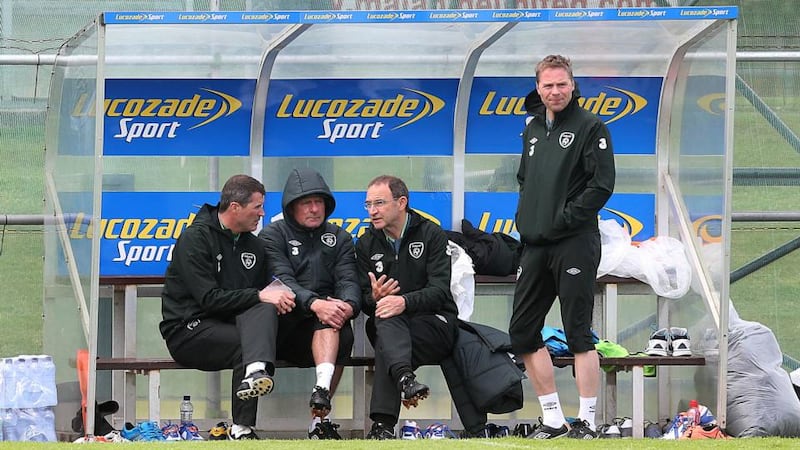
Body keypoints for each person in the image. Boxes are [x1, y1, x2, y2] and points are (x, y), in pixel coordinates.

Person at [511, 54, 615, 439]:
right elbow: (525, 179)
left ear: (573, 86)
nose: (555, 91)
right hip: (535, 245)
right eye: (548, 85)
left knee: (577, 333)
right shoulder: (534, 129)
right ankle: (553, 419)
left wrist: (564, 218)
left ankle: (587, 421)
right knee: (522, 331)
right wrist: (530, 221)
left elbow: (602, 184)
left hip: (574, 242)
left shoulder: (591, 127)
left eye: (561, 84)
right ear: (538, 87)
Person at [159, 174, 296, 440]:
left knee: (266, 310)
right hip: (187, 330)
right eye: (257, 207)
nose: (262, 213)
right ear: (235, 207)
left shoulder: (255, 246)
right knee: (249, 341)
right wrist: (260, 296)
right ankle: (242, 425)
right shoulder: (195, 239)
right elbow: (209, 299)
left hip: (230, 326)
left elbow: (257, 299)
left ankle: (247, 408)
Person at [355, 175, 459, 440]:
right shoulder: (367, 242)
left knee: (386, 328)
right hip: (393, 330)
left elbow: (440, 292)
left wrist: (403, 302)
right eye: (368, 204)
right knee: (384, 319)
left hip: (434, 324)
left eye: (379, 203)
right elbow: (363, 299)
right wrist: (374, 298)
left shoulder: (431, 233)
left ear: (401, 202)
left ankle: (383, 423)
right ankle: (405, 380)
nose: (372, 211)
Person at [258, 168, 360, 440]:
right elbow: (282, 281)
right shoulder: (272, 235)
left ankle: (319, 413)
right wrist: (316, 303)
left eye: (320, 202)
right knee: (327, 314)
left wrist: (348, 305)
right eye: (307, 203)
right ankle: (243, 426)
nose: (315, 209)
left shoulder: (339, 237)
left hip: (327, 327)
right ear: (292, 207)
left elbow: (350, 280)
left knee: (341, 325)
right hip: (285, 327)